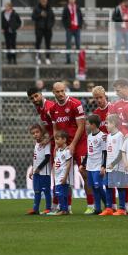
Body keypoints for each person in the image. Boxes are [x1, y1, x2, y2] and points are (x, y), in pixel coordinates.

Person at [50, 82, 90, 213]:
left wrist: (73, 144)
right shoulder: (53, 109)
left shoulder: (75, 104)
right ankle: (67, 207)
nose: (61, 94)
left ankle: (91, 205)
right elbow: (55, 129)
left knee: (84, 172)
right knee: (64, 175)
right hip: (64, 145)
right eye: (58, 92)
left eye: (62, 91)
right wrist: (57, 145)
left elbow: (81, 126)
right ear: (53, 92)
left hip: (79, 143)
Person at [84, 114, 110, 215]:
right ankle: (98, 209)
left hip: (98, 166)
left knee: (98, 187)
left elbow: (105, 152)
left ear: (93, 125)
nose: (86, 126)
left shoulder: (102, 136)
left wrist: (103, 166)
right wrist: (83, 163)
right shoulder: (89, 136)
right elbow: (88, 151)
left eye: (87, 124)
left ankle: (108, 206)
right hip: (90, 165)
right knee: (94, 187)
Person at [27, 124, 53, 215]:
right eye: (33, 133)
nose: (35, 134)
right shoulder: (36, 144)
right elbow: (35, 158)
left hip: (44, 172)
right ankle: (35, 209)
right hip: (36, 172)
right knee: (37, 190)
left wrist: (39, 168)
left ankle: (48, 208)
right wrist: (32, 169)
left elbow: (47, 158)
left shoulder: (46, 143)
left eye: (37, 132)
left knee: (46, 191)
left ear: (41, 132)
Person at [51, 130, 74, 215]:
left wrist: (65, 177)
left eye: (58, 139)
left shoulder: (67, 151)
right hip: (57, 175)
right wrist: (54, 172)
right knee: (63, 194)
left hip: (62, 176)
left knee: (59, 193)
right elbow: (56, 162)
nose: (56, 141)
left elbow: (68, 164)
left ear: (64, 140)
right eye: (55, 139)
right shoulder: (57, 151)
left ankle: (63, 209)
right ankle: (65, 209)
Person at [61, 0, 82, 64]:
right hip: (69, 29)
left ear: (75, 0)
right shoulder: (66, 8)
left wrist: (80, 25)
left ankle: (80, 60)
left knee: (78, 44)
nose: (72, 0)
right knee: (68, 44)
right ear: (68, 0)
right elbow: (63, 18)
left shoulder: (77, 7)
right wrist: (66, 26)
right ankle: (68, 60)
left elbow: (81, 17)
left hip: (77, 28)